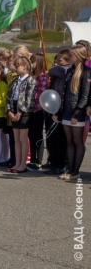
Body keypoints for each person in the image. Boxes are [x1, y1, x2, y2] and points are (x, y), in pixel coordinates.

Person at [54, 45, 90, 181]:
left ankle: (75, 171)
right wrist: (59, 111)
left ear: (79, 55)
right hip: (67, 111)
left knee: (77, 141)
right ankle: (70, 170)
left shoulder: (86, 72)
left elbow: (85, 95)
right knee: (69, 141)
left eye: (72, 55)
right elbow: (64, 93)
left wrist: (77, 113)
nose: (69, 57)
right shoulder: (70, 71)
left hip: (77, 112)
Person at [6, 55, 36, 174]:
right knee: (16, 139)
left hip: (24, 113)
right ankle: (17, 163)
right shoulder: (15, 81)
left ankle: (23, 164)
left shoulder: (31, 80)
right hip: (14, 110)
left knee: (23, 139)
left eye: (17, 66)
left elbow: (30, 99)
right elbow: (9, 97)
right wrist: (9, 111)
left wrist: (20, 112)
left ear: (25, 67)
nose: (16, 68)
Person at [44, 50, 70, 175]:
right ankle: (54, 164)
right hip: (53, 108)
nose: (57, 63)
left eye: (60, 60)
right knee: (53, 138)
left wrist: (51, 70)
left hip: (62, 108)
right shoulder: (57, 72)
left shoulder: (66, 70)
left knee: (61, 139)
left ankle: (62, 164)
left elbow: (56, 70)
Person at [28, 53, 48, 170]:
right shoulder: (32, 76)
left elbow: (41, 95)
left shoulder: (42, 78)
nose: (32, 64)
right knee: (31, 135)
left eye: (33, 61)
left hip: (39, 110)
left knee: (38, 135)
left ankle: (38, 161)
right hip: (30, 109)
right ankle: (32, 159)